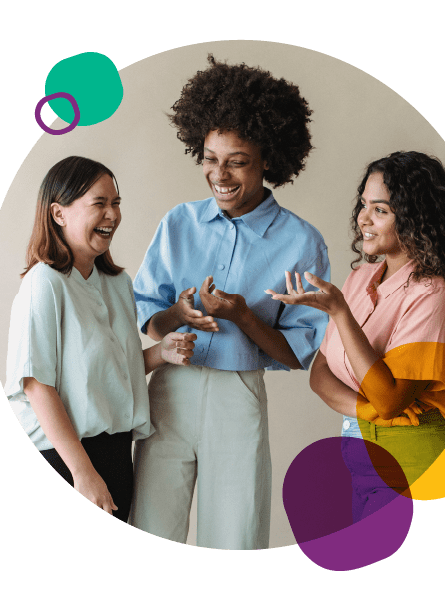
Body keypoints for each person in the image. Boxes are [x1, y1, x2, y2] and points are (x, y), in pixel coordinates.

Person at [130, 55, 331, 549]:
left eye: (237, 160)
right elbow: (148, 322)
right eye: (210, 157)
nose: (219, 173)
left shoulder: (301, 242)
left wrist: (243, 315)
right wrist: (179, 313)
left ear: (268, 160)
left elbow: (298, 354)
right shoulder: (178, 223)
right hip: (168, 392)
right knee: (153, 528)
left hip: (236, 398)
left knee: (235, 538)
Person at [267, 151, 445, 517]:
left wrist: (340, 312)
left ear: (417, 220)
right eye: (363, 204)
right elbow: (320, 376)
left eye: (380, 210)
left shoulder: (437, 292)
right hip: (360, 448)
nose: (363, 218)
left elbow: (390, 399)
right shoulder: (359, 279)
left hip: (416, 457)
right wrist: (365, 411)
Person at [4, 156, 196, 523]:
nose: (112, 215)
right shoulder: (44, 284)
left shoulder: (118, 284)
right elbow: (37, 385)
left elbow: (107, 374)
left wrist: (160, 353)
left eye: (116, 203)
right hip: (64, 459)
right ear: (59, 214)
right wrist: (83, 473)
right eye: (99, 204)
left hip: (117, 452)